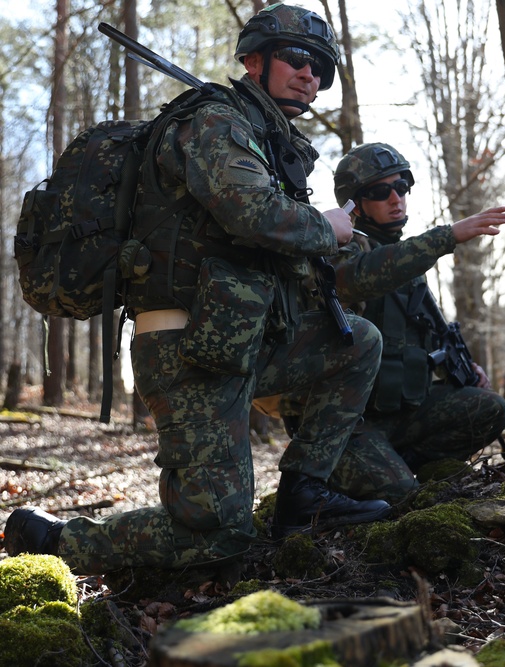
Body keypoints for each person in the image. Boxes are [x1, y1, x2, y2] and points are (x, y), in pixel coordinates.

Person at [2, 4, 391, 574]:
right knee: (215, 537)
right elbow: (252, 213)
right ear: (253, 60)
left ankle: (305, 492)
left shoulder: (266, 140)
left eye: (323, 70)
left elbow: (265, 247)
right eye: (299, 59)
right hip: (186, 348)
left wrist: (342, 250)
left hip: (244, 340)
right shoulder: (215, 120)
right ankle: (56, 541)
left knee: (357, 342)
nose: (312, 76)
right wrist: (324, 227)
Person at [325, 142, 505, 502]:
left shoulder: (411, 267)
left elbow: (414, 337)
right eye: (381, 191)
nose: (396, 198)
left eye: (402, 187)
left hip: (403, 413)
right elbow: (362, 275)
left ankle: (403, 464)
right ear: (356, 203)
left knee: (488, 408)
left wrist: (459, 365)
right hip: (350, 422)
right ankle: (371, 474)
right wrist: (448, 236)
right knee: (404, 496)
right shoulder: (341, 249)